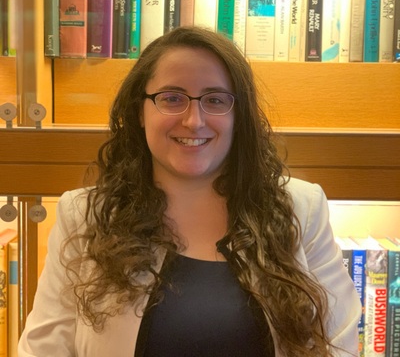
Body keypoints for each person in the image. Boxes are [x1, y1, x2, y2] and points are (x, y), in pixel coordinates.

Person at [18, 26, 361, 356]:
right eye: (171, 98)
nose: (194, 120)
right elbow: (43, 349)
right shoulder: (84, 216)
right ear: (140, 110)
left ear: (238, 114)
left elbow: (337, 345)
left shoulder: (302, 210)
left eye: (215, 100)